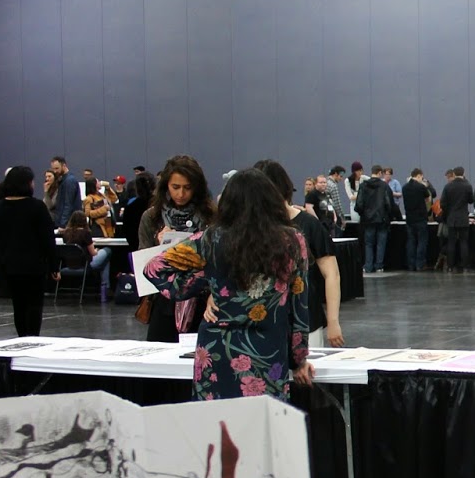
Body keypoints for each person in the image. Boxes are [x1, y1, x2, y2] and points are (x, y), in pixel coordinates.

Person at [143, 168, 312, 401]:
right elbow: (299, 302)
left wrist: (206, 284)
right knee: (263, 419)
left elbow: (154, 267)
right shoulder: (292, 241)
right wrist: (299, 357)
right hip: (267, 349)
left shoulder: (210, 238)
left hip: (215, 349)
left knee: (215, 420)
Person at [255, 160, 343, 346]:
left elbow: (332, 274)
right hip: (260, 321)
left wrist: (333, 321)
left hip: (305, 319)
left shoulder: (310, 225)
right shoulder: (251, 228)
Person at [139, 155, 216, 343]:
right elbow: (143, 264)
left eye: (187, 188)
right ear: (166, 185)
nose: (181, 194)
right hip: (164, 301)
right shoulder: (152, 217)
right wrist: (160, 249)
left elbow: (219, 260)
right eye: (175, 187)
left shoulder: (211, 216)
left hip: (203, 301)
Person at [0, 167, 60, 337]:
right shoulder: (37, 206)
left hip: (9, 264)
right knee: (34, 305)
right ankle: (33, 337)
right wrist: (54, 265)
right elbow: (47, 238)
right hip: (34, 265)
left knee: (18, 305)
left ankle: (22, 337)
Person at [61, 210, 113, 300]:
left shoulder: (66, 233)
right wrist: (96, 250)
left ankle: (106, 288)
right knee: (108, 251)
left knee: (105, 261)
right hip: (86, 265)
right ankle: (106, 289)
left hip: (69, 264)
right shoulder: (86, 233)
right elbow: (93, 253)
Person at [356, 166, 396, 273]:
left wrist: (363, 214)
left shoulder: (363, 185)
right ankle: (379, 266)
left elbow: (359, 204)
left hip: (368, 220)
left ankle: (368, 266)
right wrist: (388, 215)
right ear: (380, 173)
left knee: (368, 244)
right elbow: (389, 203)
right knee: (381, 244)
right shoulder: (384, 186)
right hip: (382, 219)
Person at [439, 168, 474, 272]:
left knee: (451, 243)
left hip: (451, 218)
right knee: (464, 242)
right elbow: (471, 200)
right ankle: (465, 266)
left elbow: (442, 203)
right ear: (464, 173)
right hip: (463, 218)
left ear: (454, 174)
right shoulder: (467, 185)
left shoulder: (448, 186)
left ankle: (450, 266)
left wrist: (449, 212)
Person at [401, 168, 434, 271]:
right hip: (420, 218)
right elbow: (428, 198)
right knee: (422, 241)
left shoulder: (404, 187)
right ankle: (420, 264)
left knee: (411, 242)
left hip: (409, 218)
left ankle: (411, 265)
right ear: (419, 175)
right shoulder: (421, 187)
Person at [49, 155, 82, 229]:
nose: (54, 171)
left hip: (68, 225)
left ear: (64, 166)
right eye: (53, 169)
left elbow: (68, 204)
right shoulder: (64, 180)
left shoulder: (69, 181)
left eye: (57, 168)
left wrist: (62, 224)